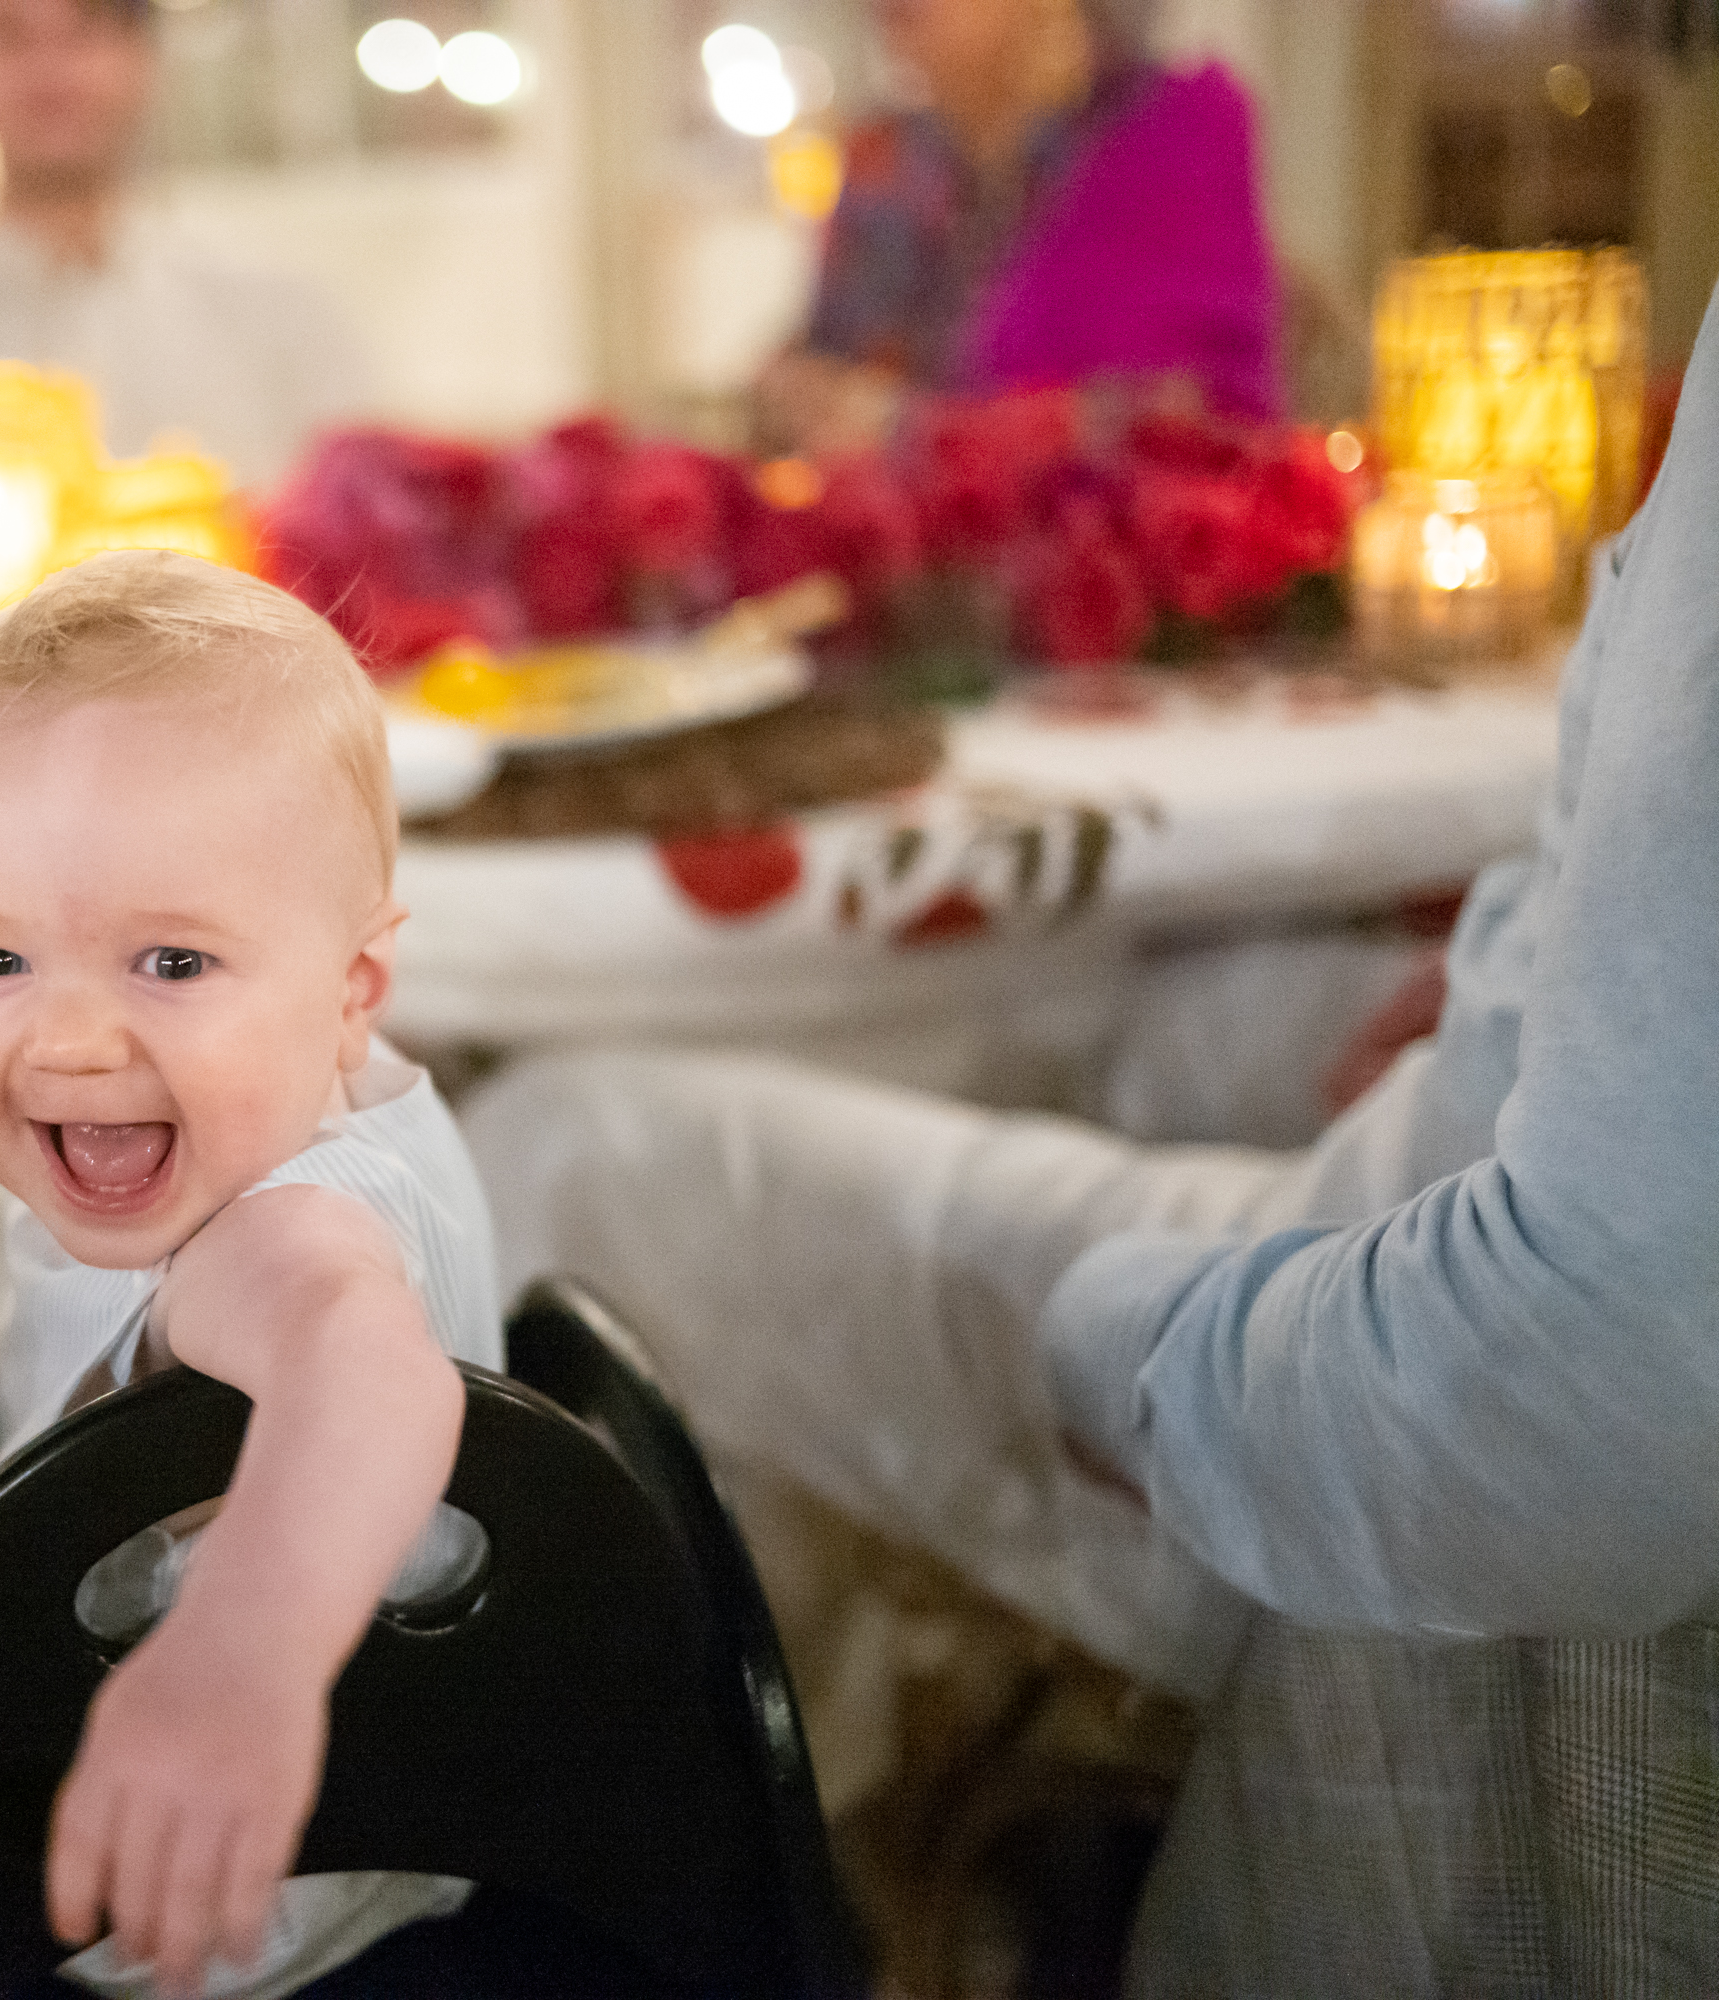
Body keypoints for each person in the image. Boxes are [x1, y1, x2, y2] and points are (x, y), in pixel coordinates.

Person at [470, 285, 1719, 1994]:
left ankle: (769, 1922)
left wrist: (1108, 1349)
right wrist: (1552, 936)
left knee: (575, 1133)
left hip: (1434, 1393)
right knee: (1098, 1012)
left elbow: (1583, 1389)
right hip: (1501, 1118)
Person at [0, 552, 502, 1999]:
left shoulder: (284, 1222)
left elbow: (359, 1360)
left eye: (171, 963)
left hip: (247, 1895)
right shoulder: (270, 1111)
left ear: (350, 992)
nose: (70, 1042)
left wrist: (241, 1653)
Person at [0, 0, 373, 494]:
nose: (51, 71)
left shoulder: (289, 330)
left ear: (145, 55)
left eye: (85, 30)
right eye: (10, 35)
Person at [758, 0, 1279, 454]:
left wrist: (908, 432)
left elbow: (1189, 424)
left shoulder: (1174, 132)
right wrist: (789, 396)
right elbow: (824, 367)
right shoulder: (882, 160)